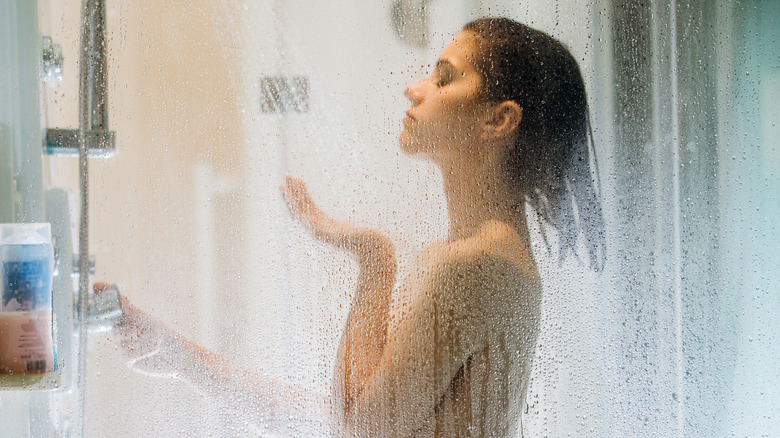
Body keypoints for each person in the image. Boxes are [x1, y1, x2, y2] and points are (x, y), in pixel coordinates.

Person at [115, 17, 604, 437]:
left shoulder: (477, 264)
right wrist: (182, 359)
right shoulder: (490, 255)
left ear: (498, 120)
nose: (414, 89)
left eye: (443, 78)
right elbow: (347, 418)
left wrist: (374, 258)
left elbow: (356, 430)